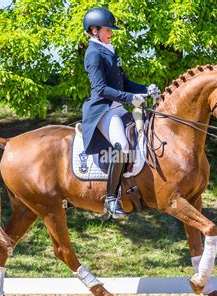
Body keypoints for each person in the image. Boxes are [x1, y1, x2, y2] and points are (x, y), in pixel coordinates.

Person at [81, 7, 159, 219]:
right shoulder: (93, 54)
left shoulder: (110, 50)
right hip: (103, 111)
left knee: (145, 134)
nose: (112, 32)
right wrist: (129, 98)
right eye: (108, 29)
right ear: (95, 30)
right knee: (122, 146)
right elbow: (100, 89)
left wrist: (145, 89)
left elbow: (124, 83)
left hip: (118, 108)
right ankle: (111, 199)